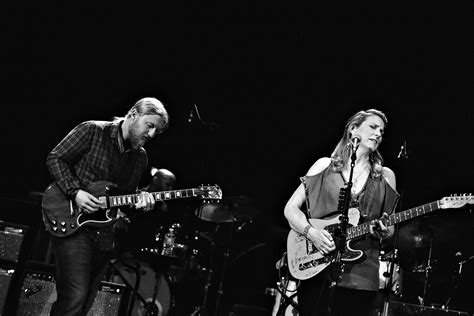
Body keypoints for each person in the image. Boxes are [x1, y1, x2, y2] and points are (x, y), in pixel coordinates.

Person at [44, 97, 169, 315]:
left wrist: (141, 203)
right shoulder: (92, 131)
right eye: (149, 126)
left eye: (156, 132)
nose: (151, 135)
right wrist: (76, 192)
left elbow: (123, 200)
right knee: (75, 295)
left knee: (85, 301)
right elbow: (56, 158)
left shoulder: (140, 158)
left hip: (104, 235)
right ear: (132, 115)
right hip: (73, 221)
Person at [283, 109, 399, 316]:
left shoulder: (386, 176)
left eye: (382, 131)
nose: (378, 134)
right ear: (353, 128)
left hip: (363, 275)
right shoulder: (324, 166)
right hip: (317, 266)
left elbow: (389, 229)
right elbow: (291, 209)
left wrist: (384, 230)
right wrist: (312, 233)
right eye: (373, 127)